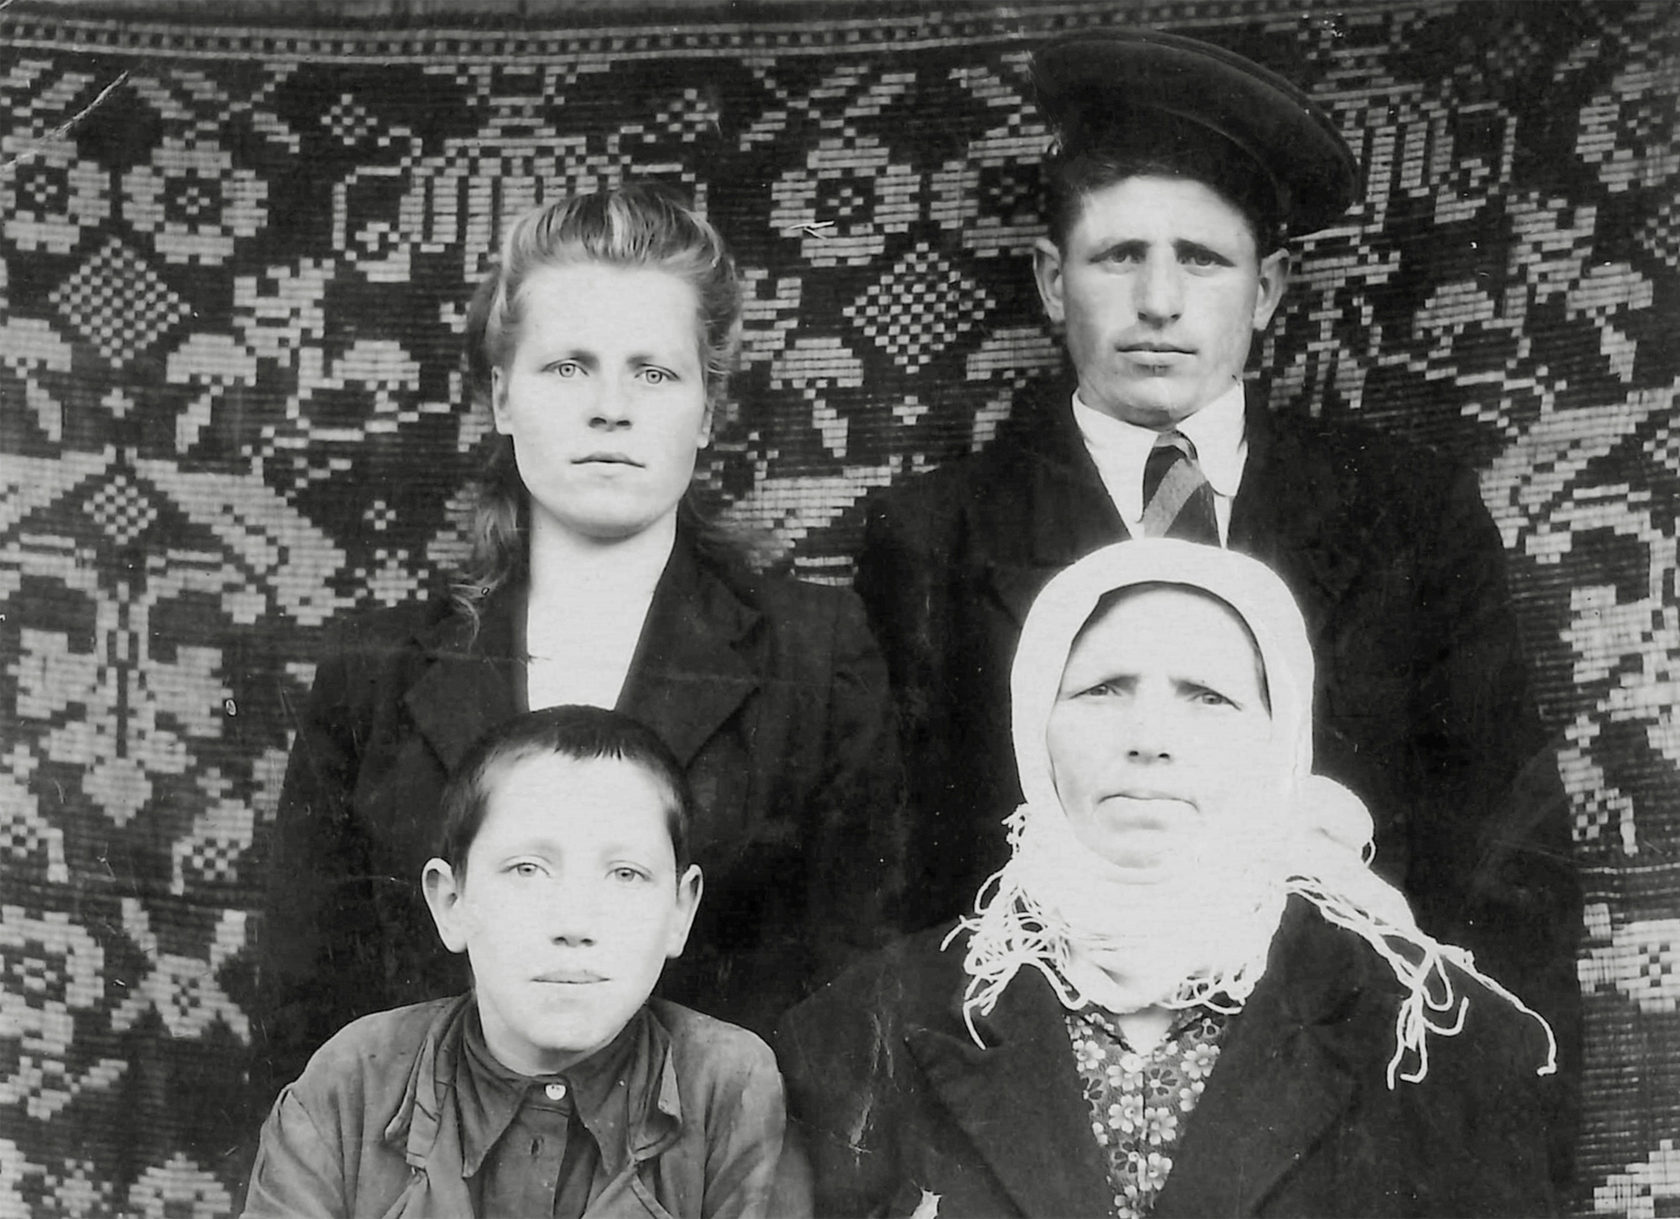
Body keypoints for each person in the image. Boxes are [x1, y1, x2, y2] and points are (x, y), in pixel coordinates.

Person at [853, 28, 1580, 1110]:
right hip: (1046, 1104)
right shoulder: (934, 537)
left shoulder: (1412, 517)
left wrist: (1503, 1133)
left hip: (1357, 1094)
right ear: (1052, 280)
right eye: (1117, 256)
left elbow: (1508, 861)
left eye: (1202, 259)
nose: (1159, 301)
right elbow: (899, 891)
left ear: (1269, 287)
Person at [255, 184, 902, 1110]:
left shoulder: (817, 660)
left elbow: (856, 1017)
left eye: (654, 372)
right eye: (567, 367)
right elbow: (303, 1024)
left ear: (707, 410)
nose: (610, 407)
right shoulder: (376, 672)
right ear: (502, 396)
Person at [781, 540, 1562, 1218]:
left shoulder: (1437, 1038)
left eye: (1209, 697)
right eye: (1102, 689)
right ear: (1035, 726)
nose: (1149, 738)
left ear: (1279, 741)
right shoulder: (858, 1030)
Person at [244, 705, 803, 1218]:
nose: (574, 924)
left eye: (625, 874)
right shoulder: (353, 1082)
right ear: (451, 901)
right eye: (527, 870)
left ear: (680, 911)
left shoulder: (729, 1089)